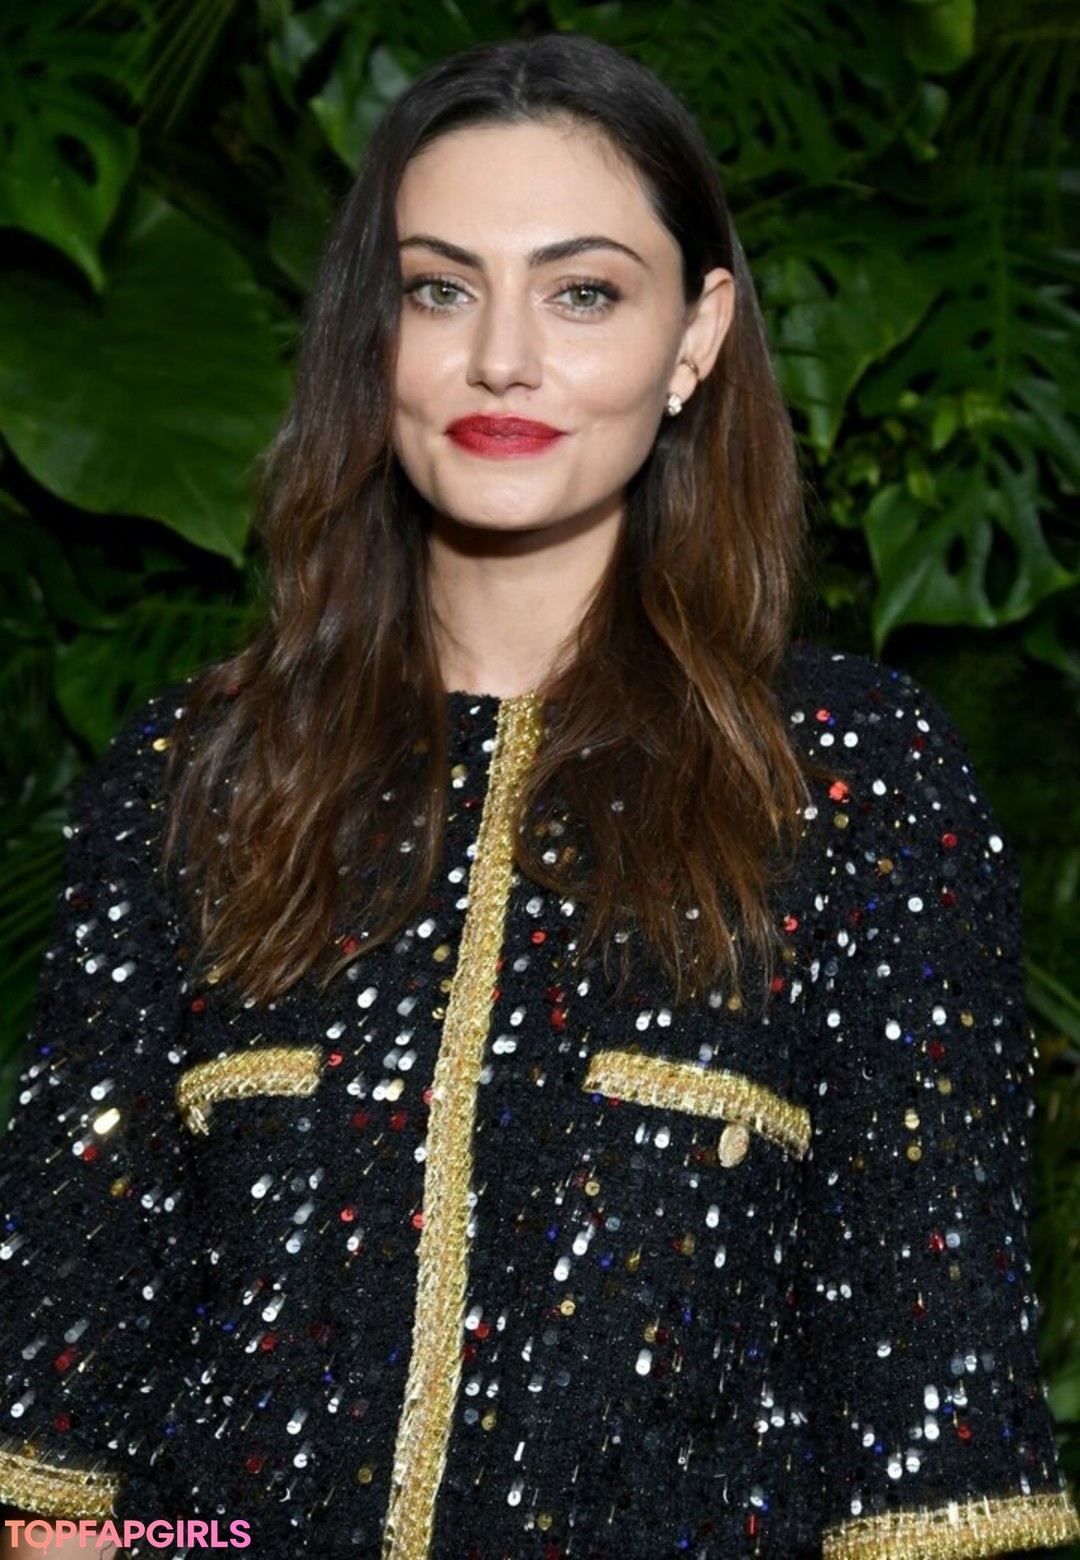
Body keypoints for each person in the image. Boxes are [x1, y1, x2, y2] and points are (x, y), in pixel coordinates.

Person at [0, 31, 1077, 1560]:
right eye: (441, 290)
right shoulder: (199, 776)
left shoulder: (853, 779)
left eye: (583, 293)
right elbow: (62, 1452)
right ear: (374, 333)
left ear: (695, 338)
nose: (501, 358)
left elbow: (936, 1456)